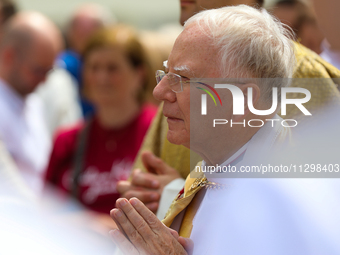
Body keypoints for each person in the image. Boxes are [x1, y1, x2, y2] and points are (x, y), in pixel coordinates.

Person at [110, 6, 340, 255]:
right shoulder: (210, 171)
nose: (159, 92)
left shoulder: (300, 197)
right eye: (165, 74)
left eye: (183, 79)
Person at [45, 25, 158, 215]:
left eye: (112, 68)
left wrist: (91, 225)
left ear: (139, 74)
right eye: (94, 67)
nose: (101, 78)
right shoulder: (68, 140)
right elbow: (44, 210)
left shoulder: (163, 131)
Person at [0, 11, 60, 194]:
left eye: (49, 72)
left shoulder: (33, 102)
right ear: (9, 56)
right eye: (38, 70)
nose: (44, 81)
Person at [57, 3, 116, 117]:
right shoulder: (62, 65)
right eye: (78, 27)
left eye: (92, 27)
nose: (83, 33)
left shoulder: (117, 62)